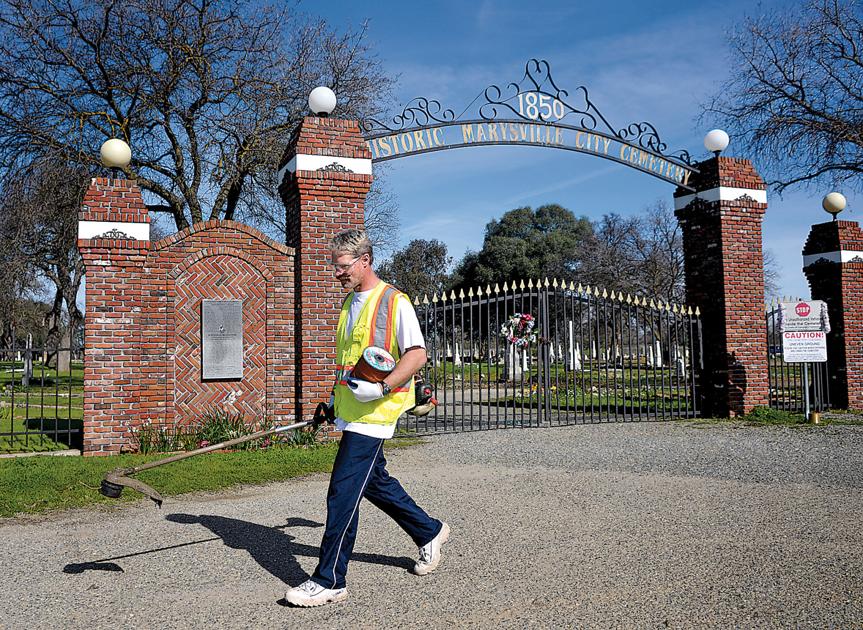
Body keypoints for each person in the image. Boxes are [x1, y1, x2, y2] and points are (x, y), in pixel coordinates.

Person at [285, 228, 449, 608]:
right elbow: (348, 364)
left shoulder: (394, 301)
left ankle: (329, 579)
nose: (337, 273)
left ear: (365, 261)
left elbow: (416, 354)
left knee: (342, 493)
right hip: (351, 410)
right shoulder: (348, 304)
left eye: (342, 267)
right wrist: (330, 402)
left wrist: (385, 387)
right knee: (373, 482)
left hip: (376, 412)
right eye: (335, 266)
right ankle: (429, 531)